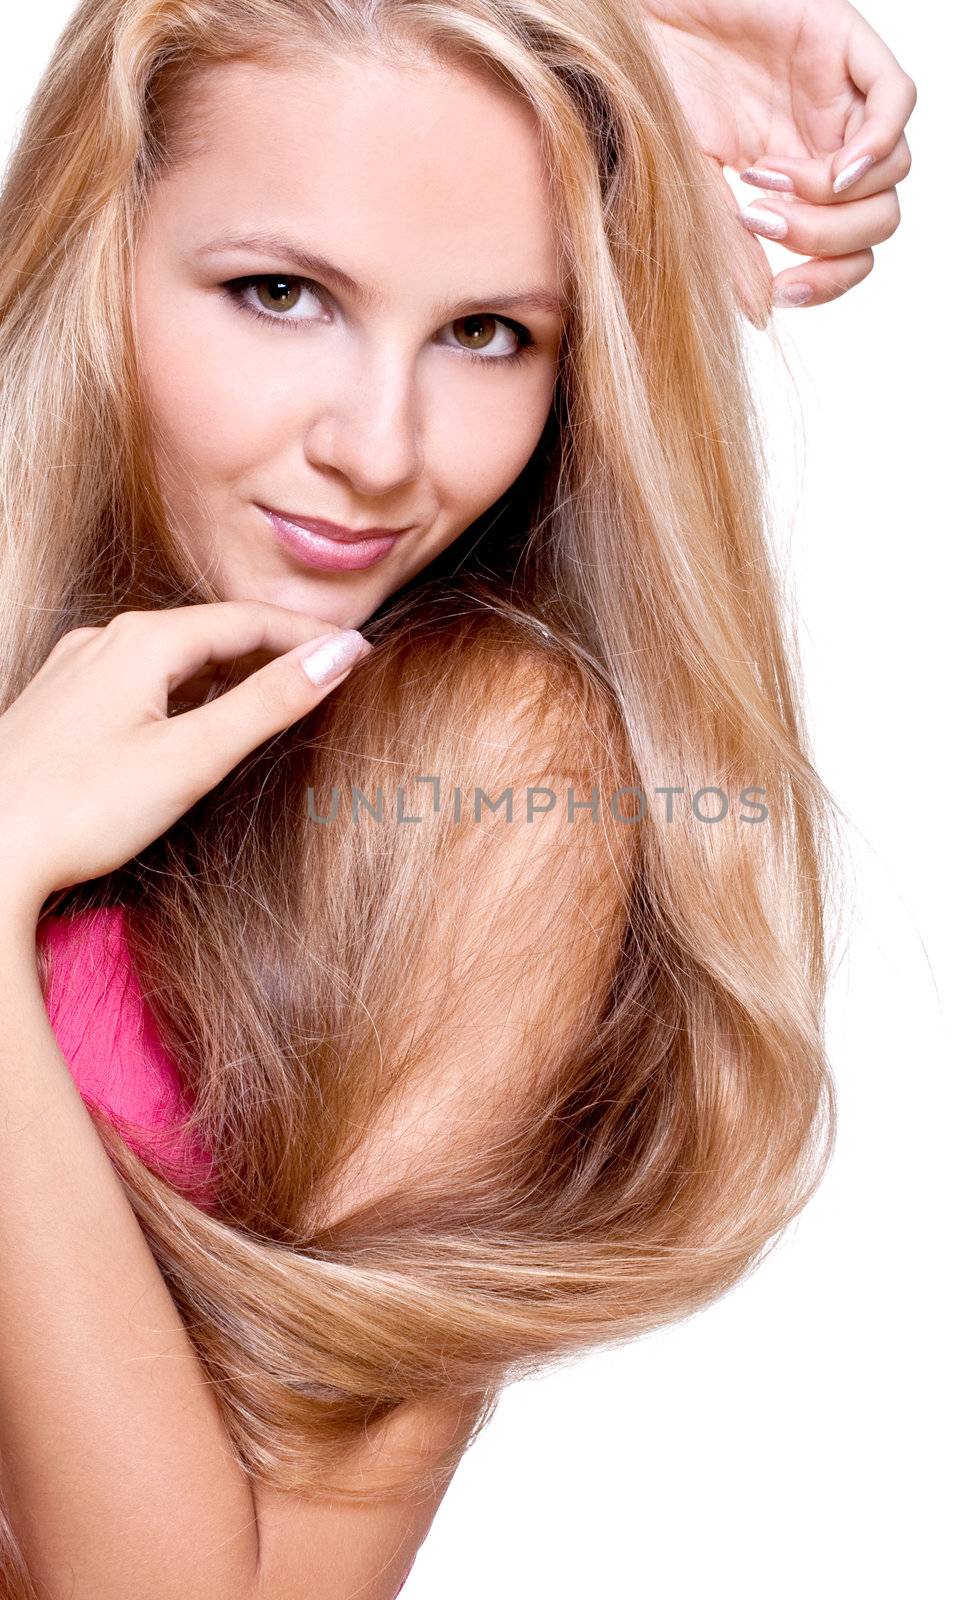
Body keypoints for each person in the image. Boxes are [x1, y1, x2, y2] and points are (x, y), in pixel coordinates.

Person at [0, 1, 912, 1597]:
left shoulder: (488, 778)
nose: (380, 449)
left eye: (489, 332)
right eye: (278, 295)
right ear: (99, 233)